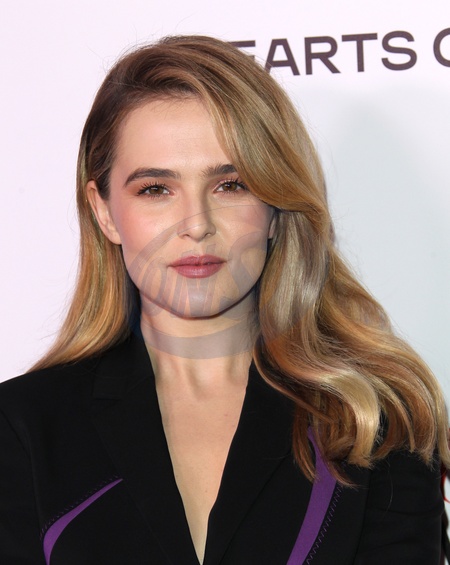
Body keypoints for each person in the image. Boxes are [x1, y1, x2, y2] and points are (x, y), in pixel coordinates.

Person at [0, 35, 448, 565]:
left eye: (230, 185)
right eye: (155, 189)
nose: (196, 225)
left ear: (275, 206)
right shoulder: (23, 429)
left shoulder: (372, 420)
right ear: (104, 212)